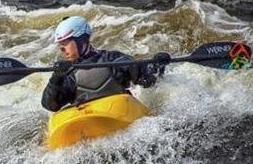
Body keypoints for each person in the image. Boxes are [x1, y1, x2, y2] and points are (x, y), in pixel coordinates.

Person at [41, 16, 170, 112]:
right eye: (60, 45)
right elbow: (51, 106)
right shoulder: (67, 73)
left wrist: (157, 65)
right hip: (86, 117)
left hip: (117, 112)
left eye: (65, 43)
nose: (62, 50)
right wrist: (56, 78)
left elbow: (148, 80)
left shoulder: (112, 59)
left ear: (81, 40)